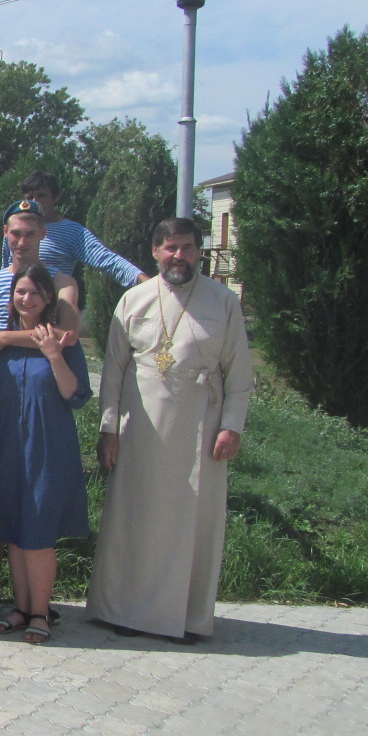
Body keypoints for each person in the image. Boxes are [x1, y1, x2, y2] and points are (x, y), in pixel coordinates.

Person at [88, 217, 253, 643]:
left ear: (200, 252)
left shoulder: (222, 303)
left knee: (191, 522)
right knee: (135, 518)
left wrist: (232, 426)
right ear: (156, 252)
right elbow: (112, 370)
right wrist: (109, 429)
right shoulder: (134, 300)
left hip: (200, 427)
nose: (178, 256)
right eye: (171, 248)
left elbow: (240, 373)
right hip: (140, 428)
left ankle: (186, 617)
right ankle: (120, 609)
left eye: (187, 248)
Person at [0, 198, 83, 617]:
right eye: (14, 232)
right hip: (0, 408)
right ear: (5, 234)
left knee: (34, 515)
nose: (21, 240)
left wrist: (8, 338)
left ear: (42, 234)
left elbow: (65, 336)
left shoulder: (62, 283)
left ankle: (37, 604)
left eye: (30, 232)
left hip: (44, 417)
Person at [0, 264, 92, 645]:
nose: (26, 298)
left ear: (48, 299)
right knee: (13, 532)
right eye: (20, 292)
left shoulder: (65, 343)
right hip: (4, 446)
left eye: (34, 293)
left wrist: (54, 355)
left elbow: (75, 395)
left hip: (46, 447)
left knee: (37, 533)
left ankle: (41, 612)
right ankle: (21, 608)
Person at [10, 170, 148, 287]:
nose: (35, 202)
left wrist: (147, 283)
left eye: (41, 196)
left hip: (54, 309)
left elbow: (107, 260)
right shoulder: (15, 230)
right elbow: (6, 271)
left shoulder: (72, 232)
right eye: (29, 197)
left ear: (56, 197)